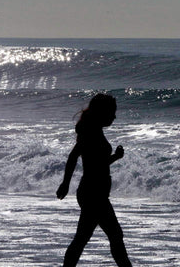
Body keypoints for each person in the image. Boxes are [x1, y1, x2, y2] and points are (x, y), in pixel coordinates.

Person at [56, 93, 132, 267]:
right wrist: (65, 183)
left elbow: (98, 163)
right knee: (112, 236)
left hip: (94, 193)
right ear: (102, 112)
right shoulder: (90, 132)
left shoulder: (94, 131)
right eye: (112, 112)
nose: (114, 116)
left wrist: (115, 157)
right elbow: (73, 157)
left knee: (84, 238)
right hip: (93, 194)